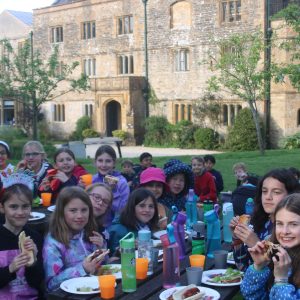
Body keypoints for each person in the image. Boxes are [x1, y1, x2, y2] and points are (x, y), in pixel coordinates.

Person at [230, 168, 299, 271]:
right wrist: (238, 238)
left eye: (276, 192)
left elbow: (286, 274)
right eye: (264, 191)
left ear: (291, 195)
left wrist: (257, 244)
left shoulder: (291, 230)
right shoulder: (259, 223)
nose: (268, 197)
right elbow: (243, 267)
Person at [43, 186, 106, 291]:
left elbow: (100, 268)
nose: (80, 215)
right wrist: (83, 269)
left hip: (95, 291)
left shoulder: (90, 234)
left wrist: (102, 247)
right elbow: (51, 284)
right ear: (61, 212)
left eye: (84, 210)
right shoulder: (53, 243)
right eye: (73, 210)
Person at [241, 193, 300, 299]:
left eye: (293, 224)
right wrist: (259, 266)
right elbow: (251, 296)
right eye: (280, 223)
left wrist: (281, 280)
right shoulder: (276, 252)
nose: (285, 231)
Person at [0, 184, 44, 299]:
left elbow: (38, 281)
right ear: (2, 207)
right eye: (13, 207)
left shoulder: (35, 237)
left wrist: (33, 262)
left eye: (25, 206)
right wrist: (10, 269)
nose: (20, 212)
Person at [108, 188, 159, 254]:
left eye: (151, 206)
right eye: (142, 206)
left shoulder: (146, 226)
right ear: (132, 207)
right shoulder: (118, 230)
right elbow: (113, 257)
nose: (147, 210)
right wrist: (126, 248)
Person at [92, 145, 130, 226]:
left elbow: (122, 210)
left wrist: (112, 191)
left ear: (114, 163)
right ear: (95, 162)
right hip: (92, 224)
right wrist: (80, 188)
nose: (104, 165)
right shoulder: (93, 180)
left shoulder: (121, 182)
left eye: (108, 161)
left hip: (113, 225)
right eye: (100, 160)